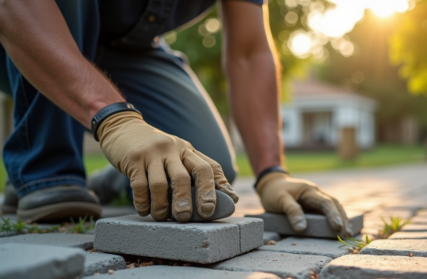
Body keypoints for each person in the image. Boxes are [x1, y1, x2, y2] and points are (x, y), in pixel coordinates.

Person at [0, 0, 352, 236]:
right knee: (58, 196)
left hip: (131, 49)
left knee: (207, 170)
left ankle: (113, 179)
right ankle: (45, 167)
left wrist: (272, 173)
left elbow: (248, 52)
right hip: (30, 23)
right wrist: (115, 120)